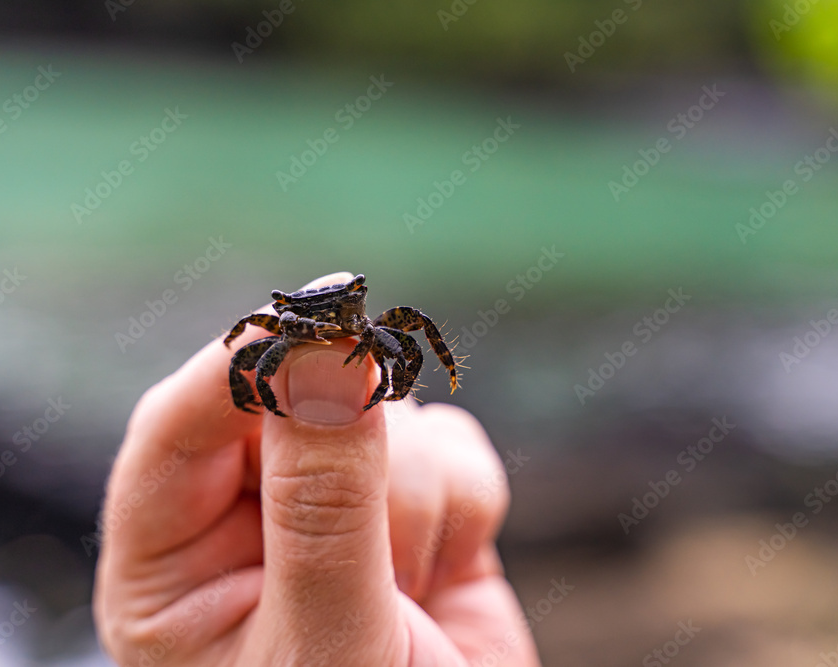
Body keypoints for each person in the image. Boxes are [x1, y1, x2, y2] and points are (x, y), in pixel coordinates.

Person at [93, 272, 541, 666]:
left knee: (406, 341)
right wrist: (242, 342)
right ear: (284, 308)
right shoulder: (280, 328)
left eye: (351, 296)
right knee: (246, 364)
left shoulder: (372, 325)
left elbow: (412, 343)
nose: (327, 313)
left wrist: (391, 380)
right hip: (298, 344)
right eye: (293, 308)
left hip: (356, 340)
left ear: (359, 295)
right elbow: (247, 348)